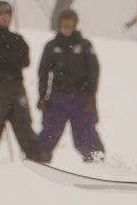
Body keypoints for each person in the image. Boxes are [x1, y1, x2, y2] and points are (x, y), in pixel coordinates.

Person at [0, 1, 44, 165]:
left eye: (8, 14)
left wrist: (6, 59)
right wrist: (11, 59)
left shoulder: (17, 39)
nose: (5, 18)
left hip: (16, 88)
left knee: (25, 125)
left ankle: (37, 161)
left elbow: (25, 60)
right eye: (1, 14)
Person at [37, 9, 105, 162]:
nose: (66, 27)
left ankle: (96, 163)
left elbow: (94, 71)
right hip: (57, 99)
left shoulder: (85, 45)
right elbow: (43, 73)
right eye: (63, 23)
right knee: (49, 132)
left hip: (81, 100)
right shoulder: (51, 46)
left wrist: (91, 96)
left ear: (75, 25)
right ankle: (38, 161)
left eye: (69, 23)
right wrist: (42, 97)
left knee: (85, 135)